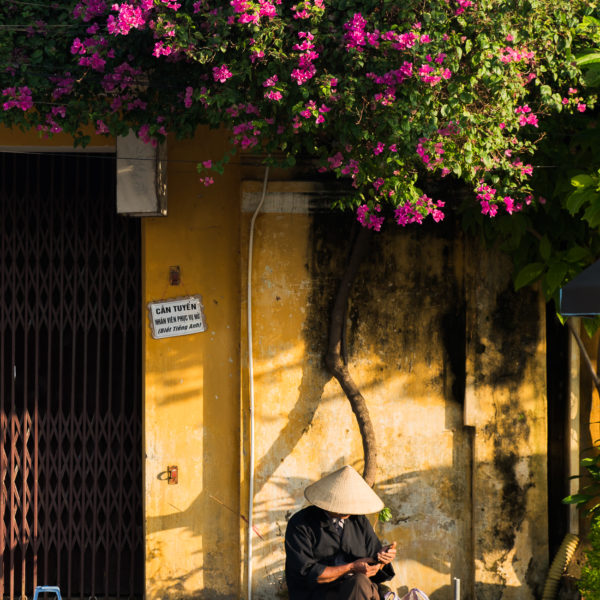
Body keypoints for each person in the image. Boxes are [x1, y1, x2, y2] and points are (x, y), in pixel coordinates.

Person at [285, 465, 397, 600]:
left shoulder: (359, 521)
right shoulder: (301, 524)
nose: (346, 510)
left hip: (361, 589)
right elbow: (308, 573)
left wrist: (382, 560)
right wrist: (351, 567)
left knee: (362, 584)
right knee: (359, 583)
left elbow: (373, 561)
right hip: (318, 594)